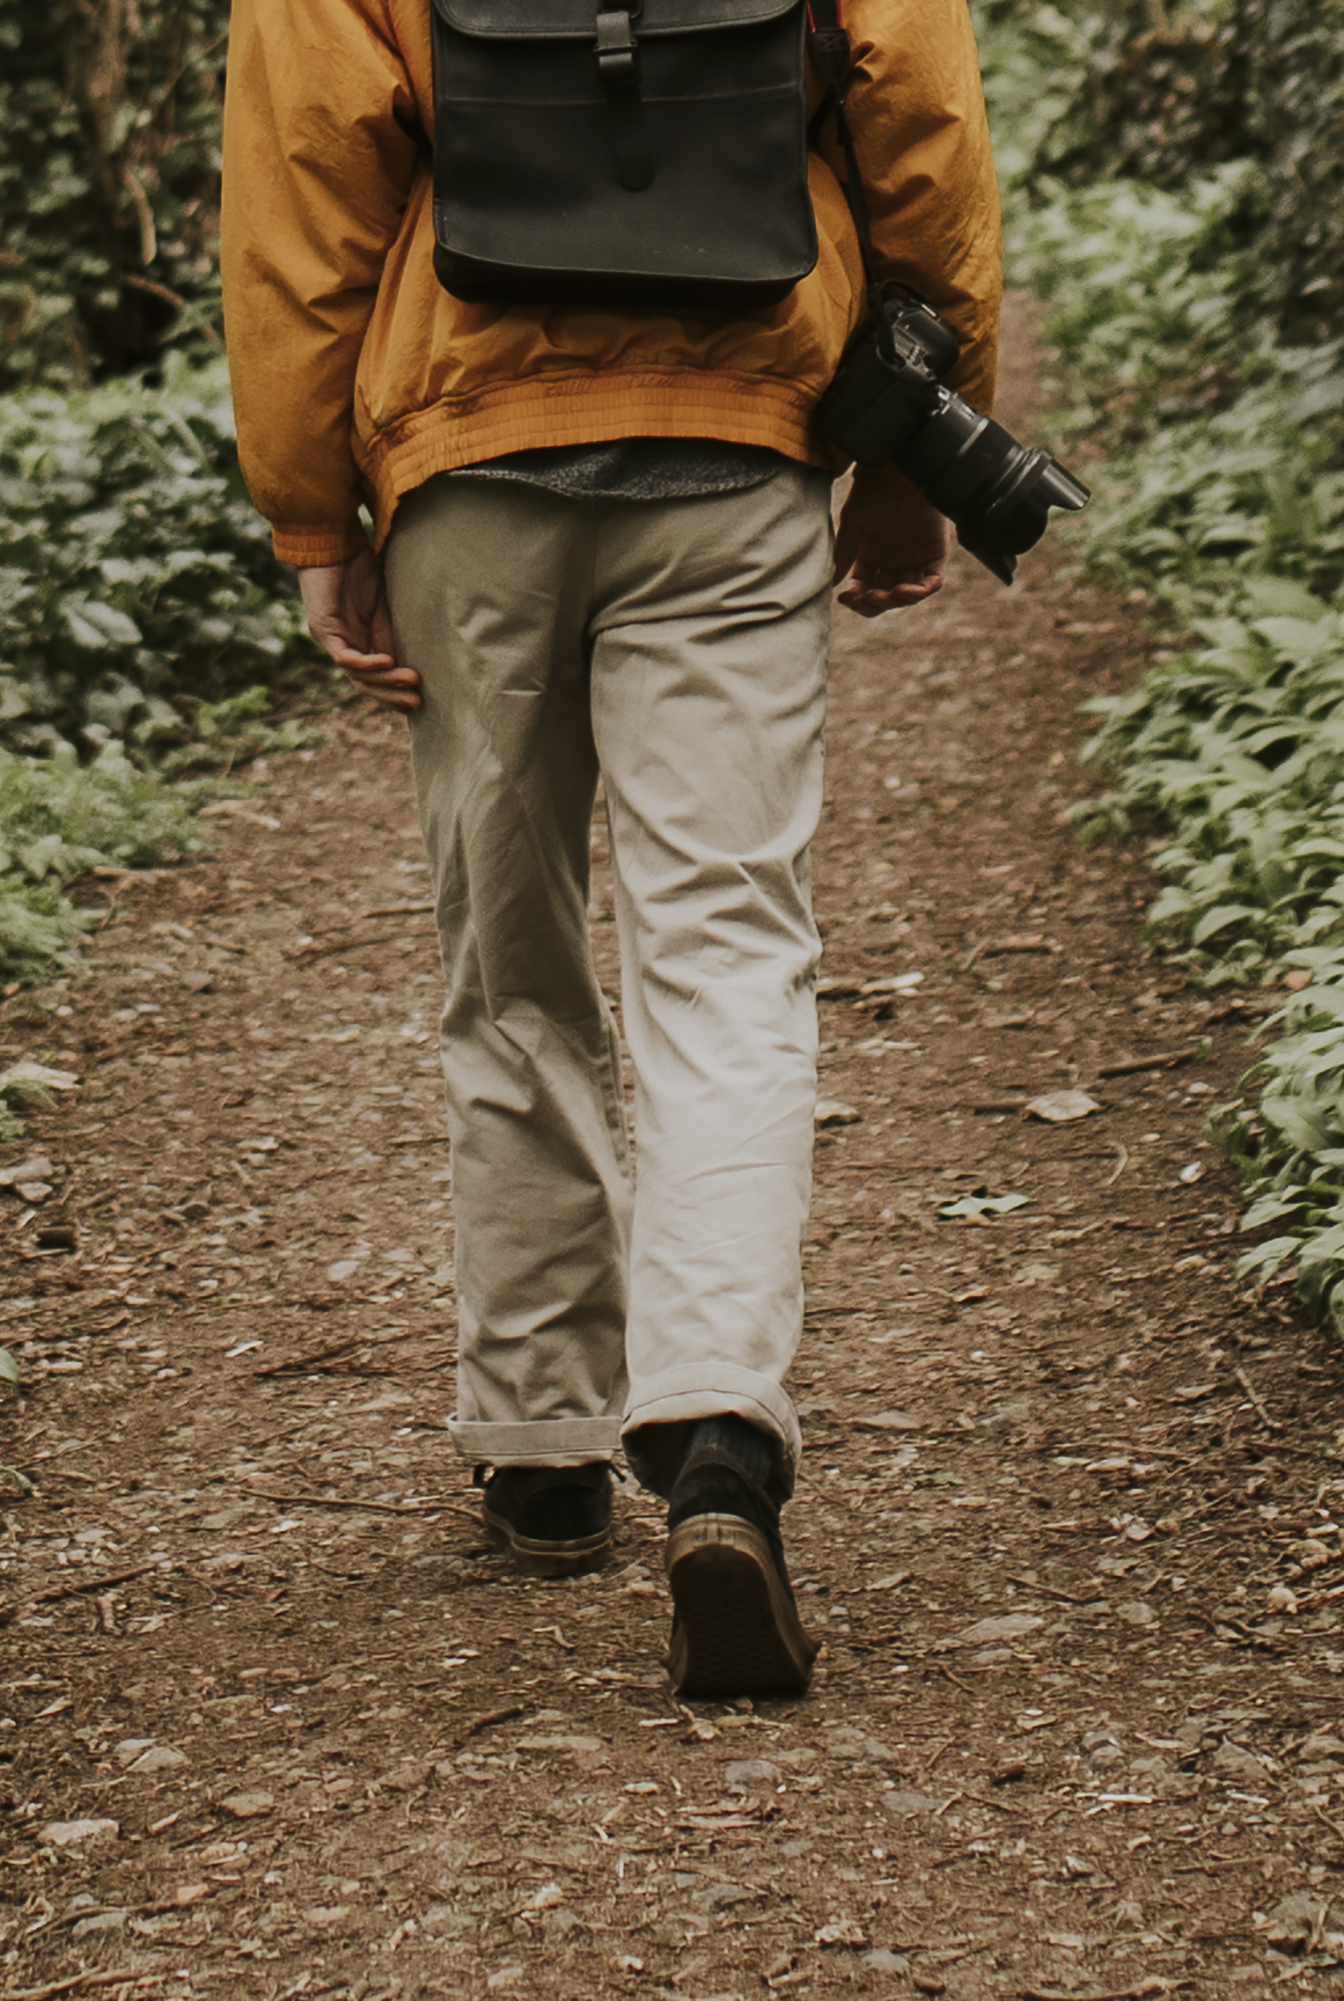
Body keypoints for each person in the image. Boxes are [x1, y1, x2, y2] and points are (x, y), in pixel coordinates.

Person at [220, 0, 1001, 1698]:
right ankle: (716, 1432)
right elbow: (922, 135)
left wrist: (309, 515)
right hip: (739, 447)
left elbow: (305, 194)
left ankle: (543, 1441)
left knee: (510, 961)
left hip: (463, 465)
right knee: (723, 953)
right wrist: (918, 452)